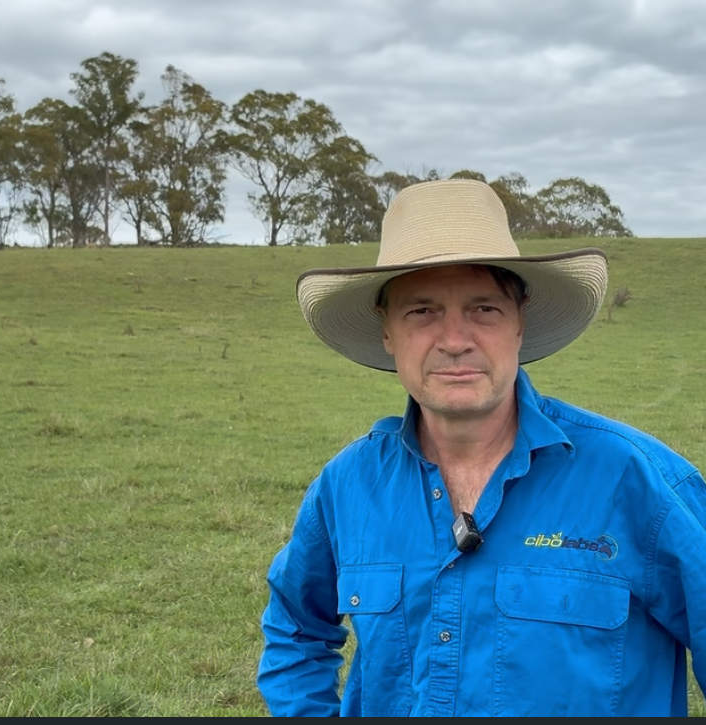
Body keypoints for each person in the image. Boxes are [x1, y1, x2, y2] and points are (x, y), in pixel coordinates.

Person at [257, 179, 706, 717]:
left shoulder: (640, 481)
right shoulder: (347, 486)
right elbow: (295, 630)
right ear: (387, 332)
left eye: (484, 309)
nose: (454, 341)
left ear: (519, 322)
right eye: (422, 311)